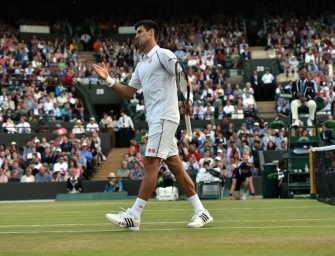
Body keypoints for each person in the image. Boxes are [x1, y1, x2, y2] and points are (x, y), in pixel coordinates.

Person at [93, 20, 213, 231]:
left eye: (140, 32)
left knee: (150, 163)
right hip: (156, 119)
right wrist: (108, 80)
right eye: (136, 32)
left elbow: (182, 74)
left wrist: (189, 100)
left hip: (165, 117)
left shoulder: (163, 54)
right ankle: (201, 211)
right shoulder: (141, 65)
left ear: (151, 32)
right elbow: (129, 92)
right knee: (175, 166)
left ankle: (134, 215)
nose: (136, 36)